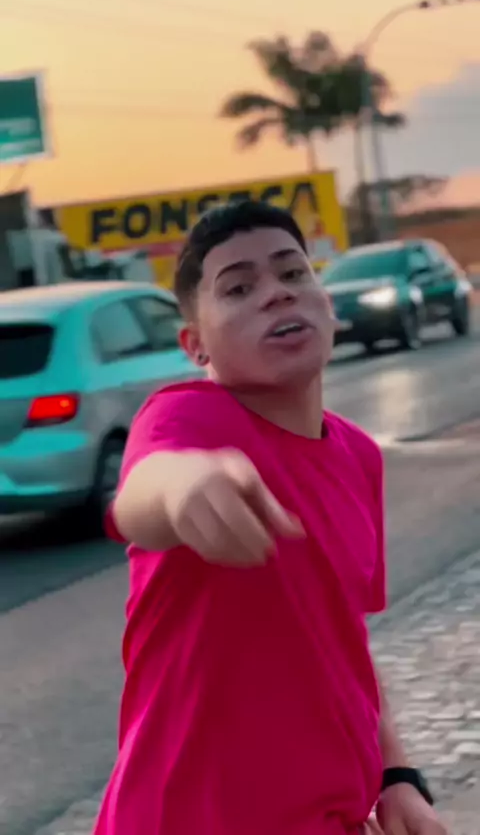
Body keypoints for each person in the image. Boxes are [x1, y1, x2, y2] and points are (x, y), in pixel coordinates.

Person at [94, 201, 447, 835]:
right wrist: (183, 487)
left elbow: (345, 637)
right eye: (238, 288)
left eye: (292, 273)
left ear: (327, 304)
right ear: (195, 345)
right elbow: (143, 494)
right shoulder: (189, 417)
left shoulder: (358, 454)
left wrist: (396, 776)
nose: (276, 294)